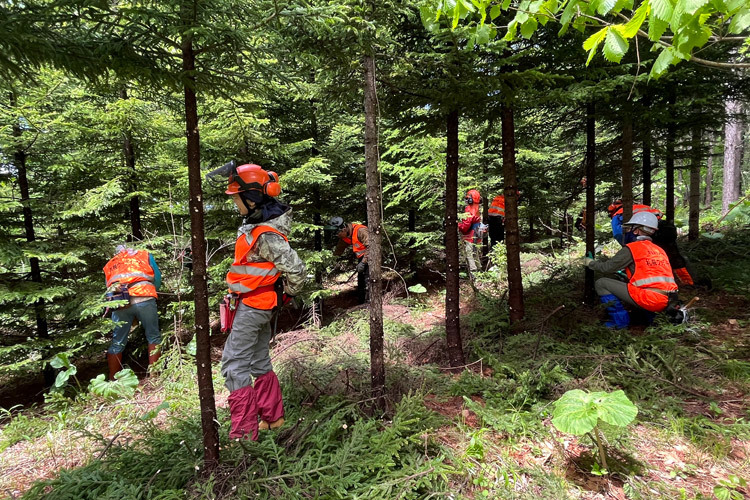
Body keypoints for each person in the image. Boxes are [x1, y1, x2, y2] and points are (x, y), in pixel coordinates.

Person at [210, 161, 306, 441]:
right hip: (256, 304)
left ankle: (243, 432)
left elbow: (297, 270)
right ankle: (273, 418)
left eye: (236, 197)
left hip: (254, 306)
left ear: (251, 198)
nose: (234, 203)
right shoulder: (256, 226)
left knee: (233, 363)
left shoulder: (265, 234)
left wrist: (287, 292)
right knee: (258, 360)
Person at [584, 212, 678, 328]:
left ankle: (619, 322)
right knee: (629, 283)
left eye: (629, 228)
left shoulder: (632, 248)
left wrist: (591, 263)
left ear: (637, 230)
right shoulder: (659, 250)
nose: (627, 231)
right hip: (669, 300)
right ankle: (652, 320)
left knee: (601, 283)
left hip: (650, 299)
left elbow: (607, 268)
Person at [103, 245, 162, 380]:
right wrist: (154, 290)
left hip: (120, 301)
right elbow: (157, 277)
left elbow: (108, 286)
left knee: (118, 341)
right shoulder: (144, 255)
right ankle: (154, 376)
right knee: (153, 336)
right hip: (144, 296)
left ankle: (113, 379)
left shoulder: (111, 263)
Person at [607, 200, 696, 286]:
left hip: (650, 231)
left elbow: (618, 234)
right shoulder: (641, 207)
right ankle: (687, 282)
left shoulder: (617, 214)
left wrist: (628, 248)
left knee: (648, 257)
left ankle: (652, 281)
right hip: (666, 228)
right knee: (673, 255)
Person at [330, 217, 369, 304]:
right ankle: (363, 302)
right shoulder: (345, 236)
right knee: (361, 280)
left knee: (369, 280)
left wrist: (363, 262)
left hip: (372, 257)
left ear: (343, 229)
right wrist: (333, 261)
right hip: (362, 258)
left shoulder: (360, 231)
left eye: (338, 234)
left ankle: (371, 302)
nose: (338, 236)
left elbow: (371, 247)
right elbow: (339, 250)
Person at [458, 189, 482, 274]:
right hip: (478, 231)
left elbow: (466, 225)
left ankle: (473, 271)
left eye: (468, 198)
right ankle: (479, 269)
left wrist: (458, 225)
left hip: (471, 233)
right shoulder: (477, 208)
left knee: (469, 252)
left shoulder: (469, 209)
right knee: (475, 252)